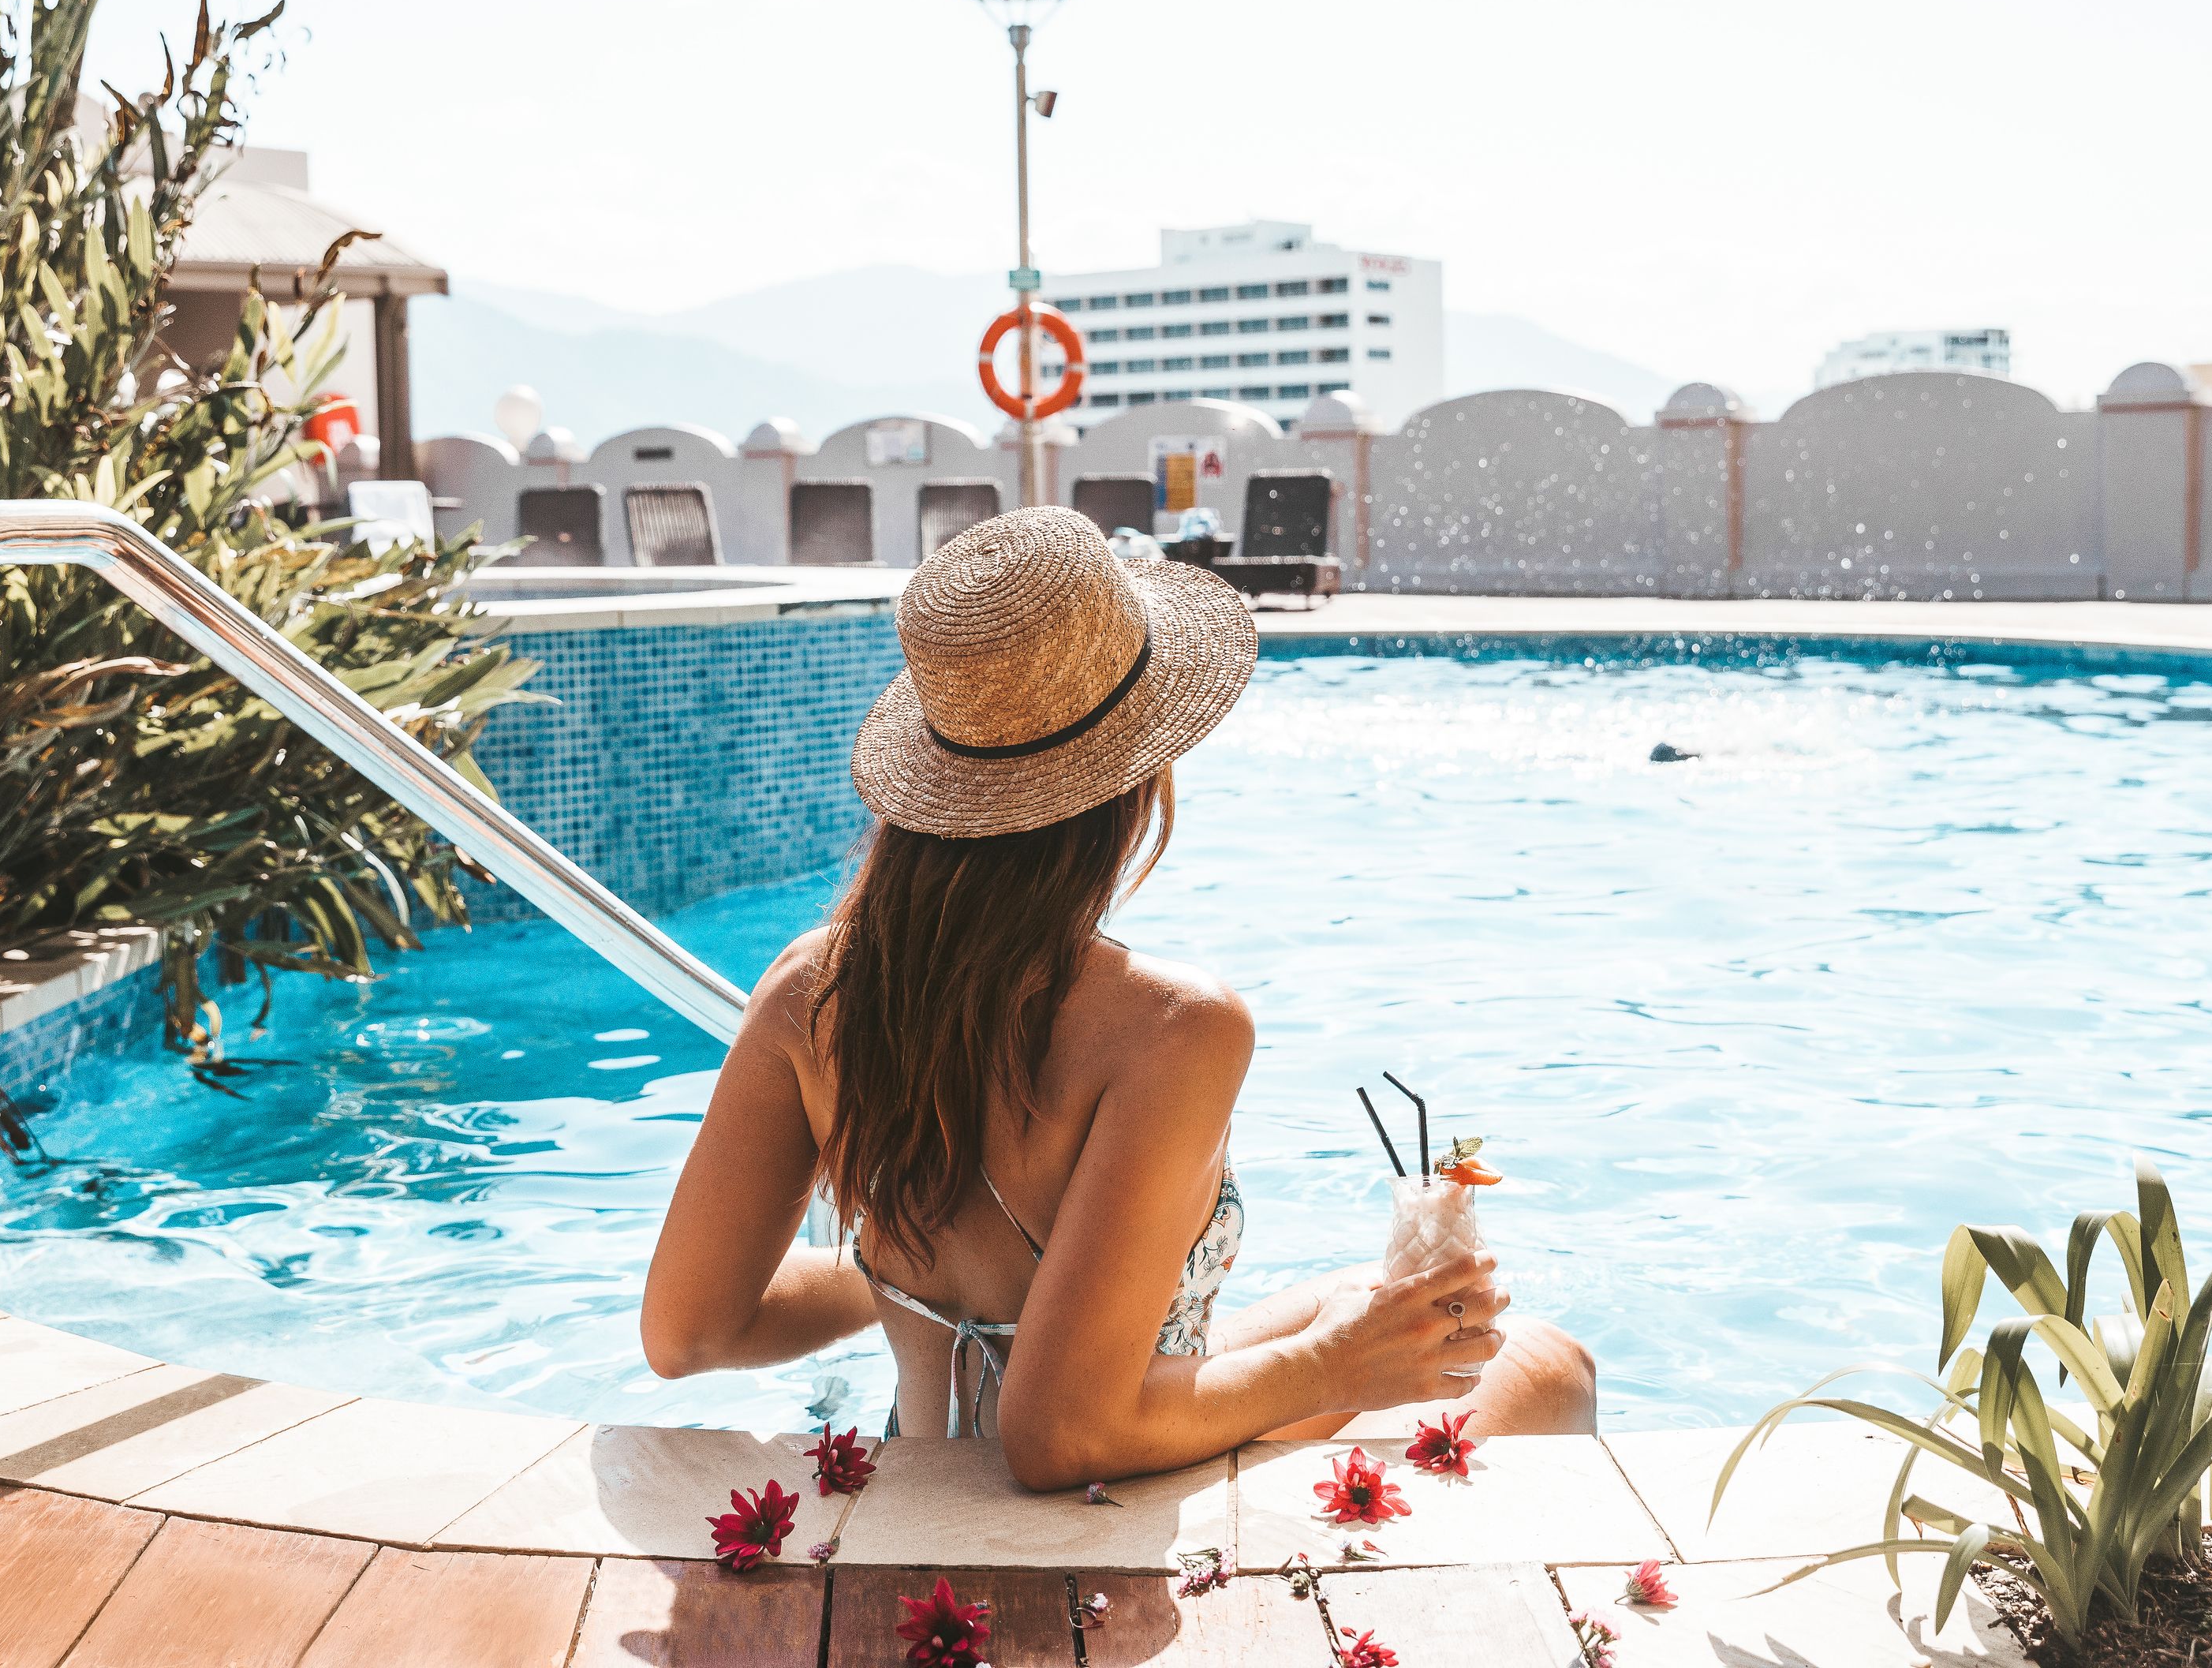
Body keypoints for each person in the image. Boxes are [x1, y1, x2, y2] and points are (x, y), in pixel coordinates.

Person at [641, 506, 1595, 1489]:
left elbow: (687, 1332)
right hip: (1091, 1497)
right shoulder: (1172, 1028)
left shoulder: (814, 987)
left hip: (926, 1461)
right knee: (1554, 1368)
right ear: (1133, 777)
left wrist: (905, 1258)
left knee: (1362, 1290)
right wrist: (1337, 1362)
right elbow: (1056, 1435)